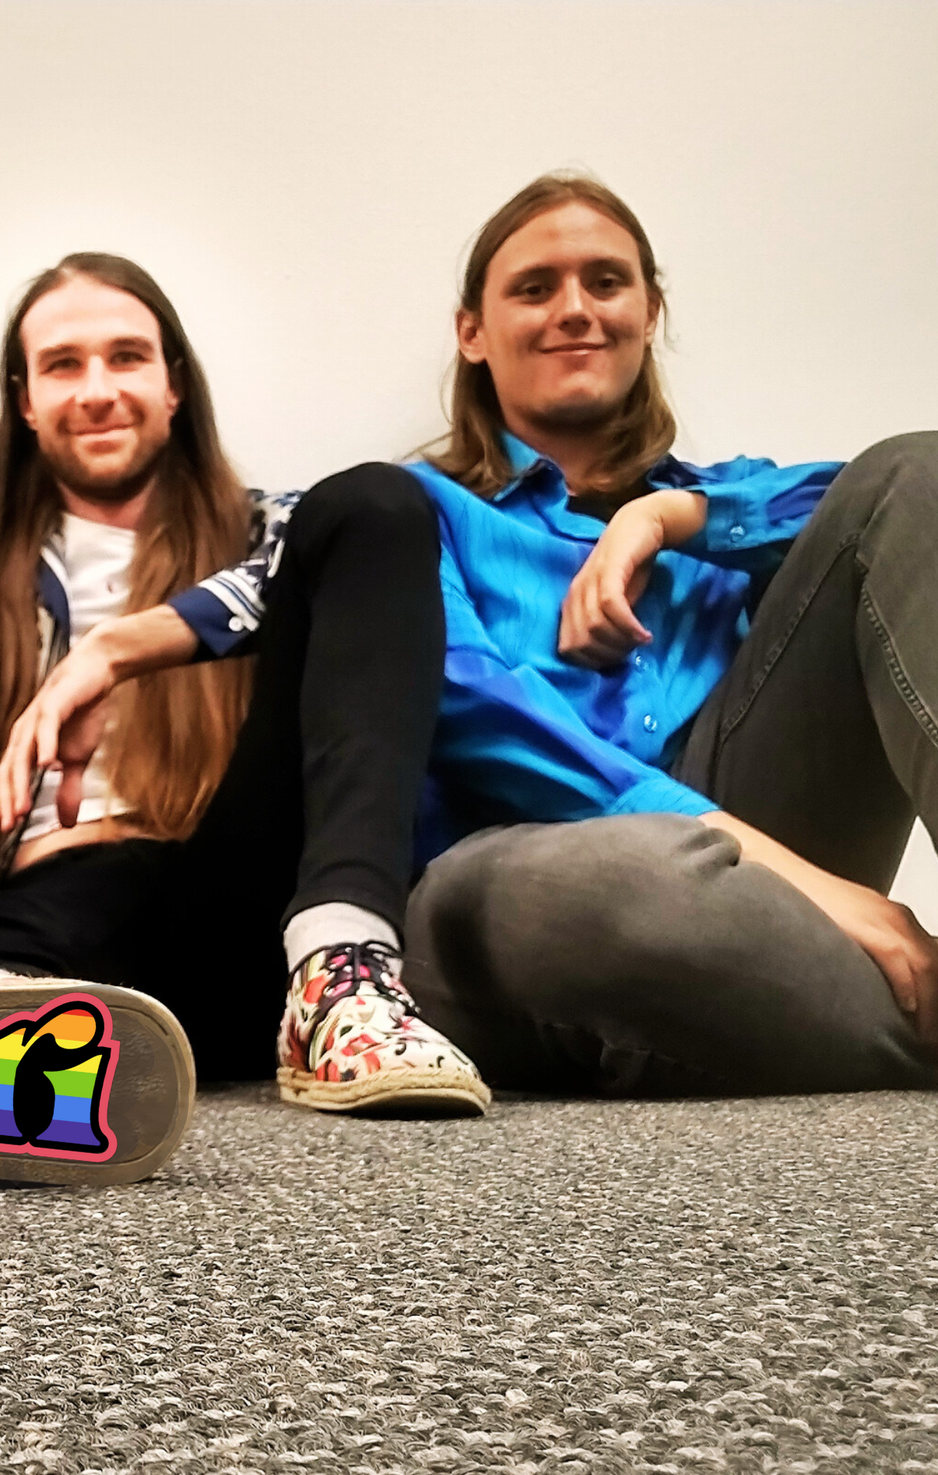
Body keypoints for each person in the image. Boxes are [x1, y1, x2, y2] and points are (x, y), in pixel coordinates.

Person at [0, 252, 488, 1114]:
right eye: (63, 365)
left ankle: (342, 980)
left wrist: (115, 649)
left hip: (232, 905)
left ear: (173, 384)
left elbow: (361, 559)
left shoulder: (272, 530)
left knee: (379, 502)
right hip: (43, 912)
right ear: (25, 401)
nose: (97, 390)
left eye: (126, 357)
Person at [397, 172, 938, 1096]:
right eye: (535, 288)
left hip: (750, 891)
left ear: (649, 313)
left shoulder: (721, 503)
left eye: (606, 282)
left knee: (915, 475)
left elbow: (893, 502)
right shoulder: (415, 512)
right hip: (545, 879)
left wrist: (664, 517)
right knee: (606, 878)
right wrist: (804, 881)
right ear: (472, 333)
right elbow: (480, 720)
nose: (576, 309)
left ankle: (836, 1010)